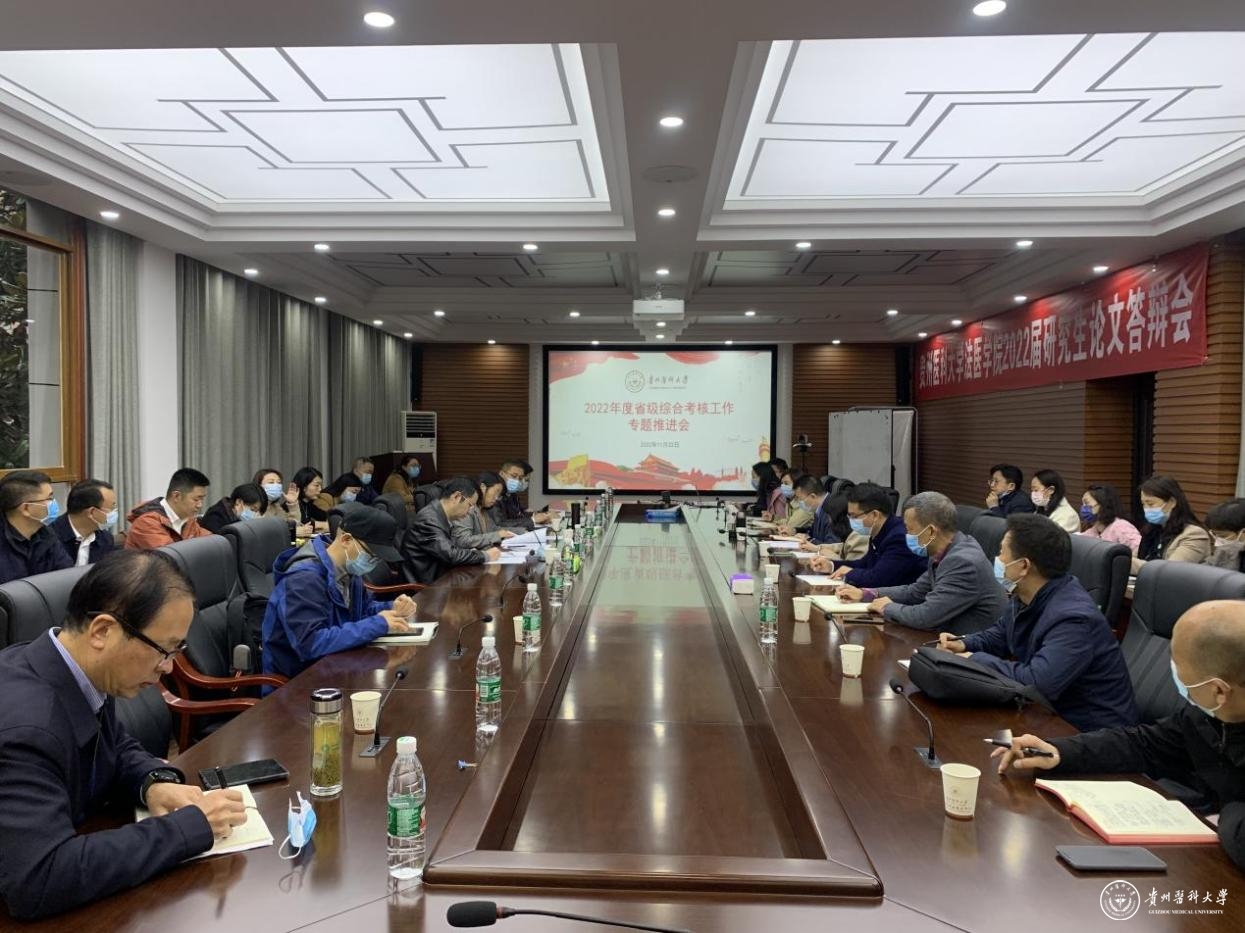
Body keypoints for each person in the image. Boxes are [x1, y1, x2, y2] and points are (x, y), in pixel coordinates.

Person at [0, 550, 247, 919]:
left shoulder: (75, 668)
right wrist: (187, 828)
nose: (168, 668)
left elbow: (114, 744)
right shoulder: (26, 728)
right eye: (163, 651)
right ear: (103, 631)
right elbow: (41, 878)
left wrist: (152, 782)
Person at [994, 600, 1245, 871]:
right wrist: (1059, 752)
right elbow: (1145, 744)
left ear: (1219, 691)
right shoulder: (1207, 714)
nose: (1177, 679)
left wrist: (1230, 806)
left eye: (1182, 675)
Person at [938, 513, 1138, 732]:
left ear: (1024, 566)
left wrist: (973, 659)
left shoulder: (1074, 618)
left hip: (1089, 732)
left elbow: (1038, 682)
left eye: (1002, 552)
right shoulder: (1025, 595)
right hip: (1047, 715)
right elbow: (1000, 635)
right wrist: (964, 643)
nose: (997, 559)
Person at [261, 505, 416, 682]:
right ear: (346, 540)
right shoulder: (303, 580)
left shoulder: (348, 571)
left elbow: (360, 610)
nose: (374, 562)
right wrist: (378, 624)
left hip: (338, 668)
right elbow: (310, 644)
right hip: (298, 683)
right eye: (371, 555)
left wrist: (391, 608)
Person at [837, 490, 1004, 634]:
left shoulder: (962, 562)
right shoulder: (943, 550)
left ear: (930, 531)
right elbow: (915, 592)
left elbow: (926, 616)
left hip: (971, 648)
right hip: (943, 637)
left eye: (910, 529)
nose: (906, 535)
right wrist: (868, 594)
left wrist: (886, 607)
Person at [811, 482, 925, 588]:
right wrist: (831, 565)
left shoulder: (899, 538)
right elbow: (864, 563)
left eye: (854, 516)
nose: (850, 520)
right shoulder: (879, 530)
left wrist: (850, 573)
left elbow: (878, 579)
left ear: (875, 515)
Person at [403, 477, 501, 584]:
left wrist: (472, 552)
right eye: (470, 505)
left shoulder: (439, 515)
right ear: (456, 497)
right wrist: (485, 555)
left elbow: (450, 549)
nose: (470, 511)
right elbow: (450, 555)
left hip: (443, 578)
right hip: (426, 587)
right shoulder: (429, 519)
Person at [0, 470, 72, 585]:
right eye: (49, 499)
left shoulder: (46, 534)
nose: (54, 503)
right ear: (26, 509)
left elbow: (66, 577)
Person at [1135, 474, 1212, 574]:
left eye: (1150, 504)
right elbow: (1136, 556)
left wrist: (1128, 563)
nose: (1146, 509)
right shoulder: (1152, 531)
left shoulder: (1194, 535)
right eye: (1143, 504)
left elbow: (1170, 571)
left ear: (1172, 502)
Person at [124, 468, 212, 550]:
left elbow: (211, 543)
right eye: (196, 499)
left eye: (202, 499)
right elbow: (171, 556)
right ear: (176, 496)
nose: (200, 505)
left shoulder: (188, 520)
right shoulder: (146, 523)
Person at [49, 479, 118, 568]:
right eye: (112, 508)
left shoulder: (105, 539)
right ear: (92, 512)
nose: (114, 512)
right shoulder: (48, 539)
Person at [453, 472, 517, 551]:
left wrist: (523, 531)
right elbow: (463, 540)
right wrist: (497, 535)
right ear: (482, 487)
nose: (496, 498)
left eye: (499, 495)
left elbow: (494, 529)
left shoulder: (484, 510)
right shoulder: (468, 509)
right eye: (496, 492)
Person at [1077, 483, 1142, 556]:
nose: (1083, 508)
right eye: (1083, 504)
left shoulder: (1121, 527)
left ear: (1103, 504)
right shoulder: (1094, 531)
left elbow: (1140, 550)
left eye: (1087, 503)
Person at [492, 460, 550, 532]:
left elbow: (517, 516)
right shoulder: (494, 495)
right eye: (514, 476)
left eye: (520, 478)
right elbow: (500, 523)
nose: (517, 481)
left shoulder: (511, 493)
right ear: (501, 474)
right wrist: (533, 520)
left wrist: (540, 516)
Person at [200, 483, 265, 535]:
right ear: (238, 502)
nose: (254, 515)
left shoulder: (238, 516)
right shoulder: (215, 517)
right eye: (252, 510)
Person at [1029, 469, 1080, 533]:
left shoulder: (1068, 516)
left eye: (1036, 490)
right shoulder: (1041, 510)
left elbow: (1051, 537)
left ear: (1051, 490)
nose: (1033, 494)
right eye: (1032, 490)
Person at [1204, 498, 1245, 573]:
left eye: (1223, 536)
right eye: (1214, 535)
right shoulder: (1223, 552)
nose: (1216, 542)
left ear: (1243, 532)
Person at [290, 467, 329, 534]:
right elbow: (301, 523)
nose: (320, 489)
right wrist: (319, 525)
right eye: (316, 485)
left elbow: (324, 516)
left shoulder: (308, 503)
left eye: (320, 485)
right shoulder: (291, 504)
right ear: (304, 486)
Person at [775, 468, 812, 533]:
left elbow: (790, 525)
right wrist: (773, 518)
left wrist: (779, 522)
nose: (782, 486)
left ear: (797, 485)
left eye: (786, 483)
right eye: (782, 483)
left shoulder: (805, 502)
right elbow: (788, 520)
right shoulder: (790, 500)